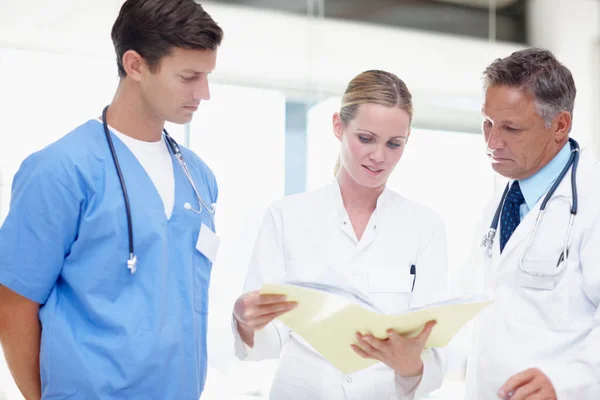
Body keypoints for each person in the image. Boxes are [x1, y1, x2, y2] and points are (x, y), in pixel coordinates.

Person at [0, 1, 223, 399]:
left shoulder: (198, 176)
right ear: (136, 65)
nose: (203, 93)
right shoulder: (61, 170)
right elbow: (13, 307)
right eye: (189, 77)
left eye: (207, 76)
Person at [231, 70, 449, 400]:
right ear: (338, 126)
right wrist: (246, 322)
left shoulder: (426, 227)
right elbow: (270, 341)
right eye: (366, 138)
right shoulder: (287, 216)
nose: (379, 156)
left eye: (394, 144)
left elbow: (431, 352)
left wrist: (410, 364)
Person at [463, 47, 600, 400]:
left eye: (510, 128)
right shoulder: (497, 208)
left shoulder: (592, 198)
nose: (492, 142)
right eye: (487, 123)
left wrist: (567, 381)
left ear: (560, 126)